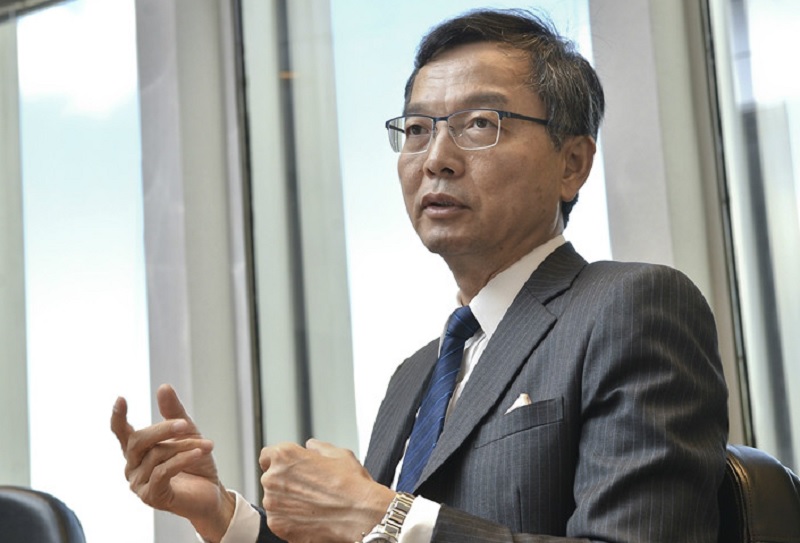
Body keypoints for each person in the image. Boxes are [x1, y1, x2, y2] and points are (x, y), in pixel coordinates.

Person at [111, 8, 729, 543]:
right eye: (416, 129)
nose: (436, 158)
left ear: (572, 163)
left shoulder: (632, 307)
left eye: (479, 123)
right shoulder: (416, 375)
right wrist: (224, 516)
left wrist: (379, 512)